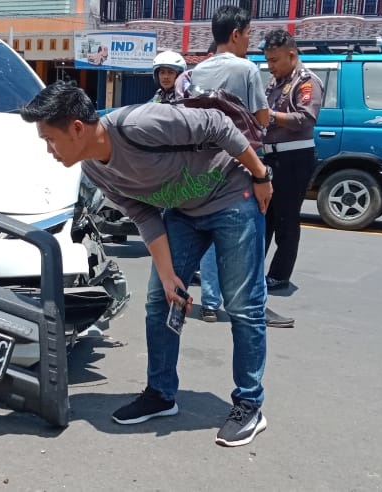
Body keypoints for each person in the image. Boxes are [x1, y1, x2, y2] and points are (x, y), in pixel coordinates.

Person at [20, 81, 274, 447]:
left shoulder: (138, 124)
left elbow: (218, 124)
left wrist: (260, 174)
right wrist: (170, 276)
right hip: (184, 212)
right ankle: (161, 393)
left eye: (50, 139)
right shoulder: (94, 170)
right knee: (161, 301)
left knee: (242, 304)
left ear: (76, 127)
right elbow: (143, 214)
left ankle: (249, 403)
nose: (49, 150)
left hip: (232, 195)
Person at [184, 5, 270, 324]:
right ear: (236, 34)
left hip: (206, 170)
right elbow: (261, 119)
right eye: (248, 35)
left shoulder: (198, 71)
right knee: (247, 249)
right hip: (242, 171)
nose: (249, 41)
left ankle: (210, 301)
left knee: (209, 236)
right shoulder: (246, 69)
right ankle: (246, 311)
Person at [260, 28, 324, 293]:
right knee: (265, 217)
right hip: (272, 157)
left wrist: (270, 116)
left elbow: (305, 119)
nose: (270, 66)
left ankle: (279, 275)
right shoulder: (274, 83)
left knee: (286, 218)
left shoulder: (306, 81)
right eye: (268, 60)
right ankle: (252, 270)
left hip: (295, 158)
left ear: (291, 54)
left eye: (274, 60)